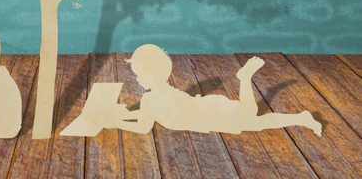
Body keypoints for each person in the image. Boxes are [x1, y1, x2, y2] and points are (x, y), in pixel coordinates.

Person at [113, 44, 322, 136]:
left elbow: (143, 127)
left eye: (139, 74)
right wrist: (125, 113)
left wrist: (115, 121)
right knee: (256, 122)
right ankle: (302, 118)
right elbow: (152, 113)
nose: (138, 79)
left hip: (209, 114)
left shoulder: (152, 100)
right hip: (208, 110)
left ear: (151, 75)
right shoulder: (161, 94)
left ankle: (245, 78)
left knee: (252, 118)